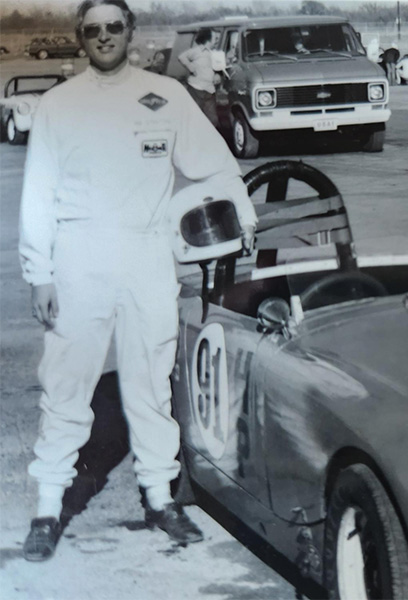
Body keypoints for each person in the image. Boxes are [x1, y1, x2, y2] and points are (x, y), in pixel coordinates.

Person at [19, 0, 257, 562]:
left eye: (114, 27)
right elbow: (37, 197)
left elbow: (218, 166)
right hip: (78, 259)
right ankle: (49, 508)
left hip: (148, 256)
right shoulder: (58, 105)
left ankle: (159, 498)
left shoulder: (166, 97)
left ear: (131, 32)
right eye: (93, 29)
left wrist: (243, 214)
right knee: (66, 387)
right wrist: (40, 274)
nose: (104, 37)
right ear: (81, 37)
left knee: (151, 385)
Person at [177, 27, 221, 126]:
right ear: (208, 38)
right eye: (215, 38)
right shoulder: (197, 51)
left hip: (209, 90)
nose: (217, 40)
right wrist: (190, 66)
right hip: (196, 89)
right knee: (194, 118)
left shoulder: (215, 53)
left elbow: (219, 67)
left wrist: (217, 74)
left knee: (213, 120)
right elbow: (181, 57)